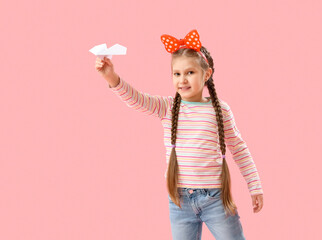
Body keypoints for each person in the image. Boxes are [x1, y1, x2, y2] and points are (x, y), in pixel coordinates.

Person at [95, 29, 264, 240]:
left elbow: (239, 149)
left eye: (190, 73)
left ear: (207, 74)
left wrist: (254, 186)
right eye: (177, 74)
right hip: (179, 201)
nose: (182, 80)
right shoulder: (167, 107)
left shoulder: (220, 110)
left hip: (216, 200)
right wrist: (111, 77)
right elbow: (136, 99)